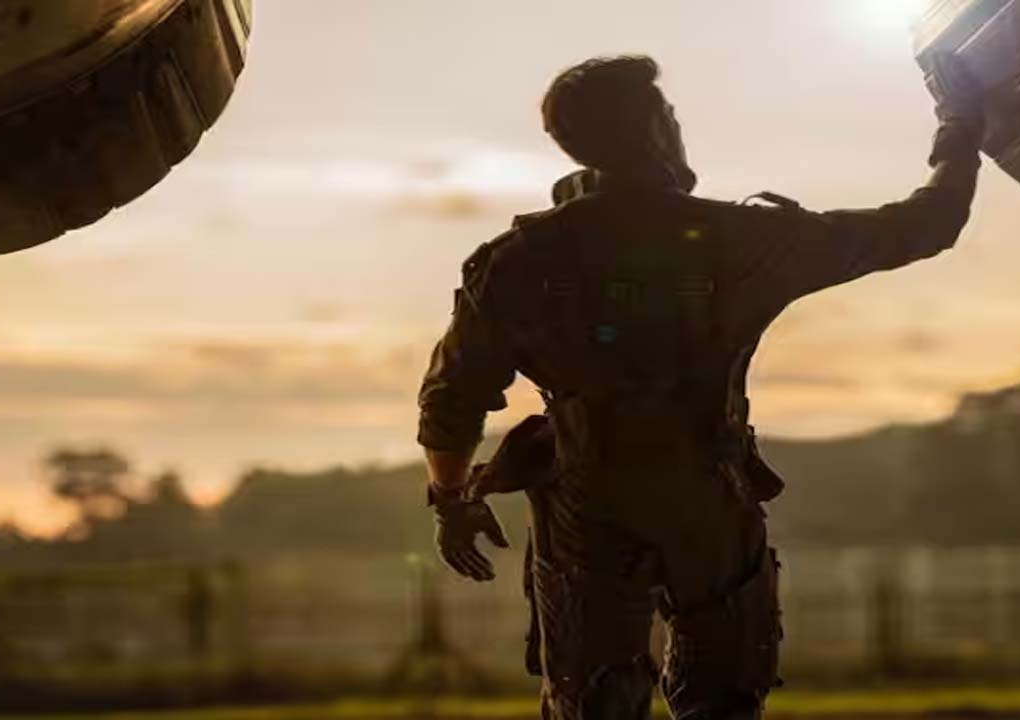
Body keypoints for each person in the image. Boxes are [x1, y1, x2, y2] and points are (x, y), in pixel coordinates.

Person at [417, 53, 985, 720]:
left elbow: (452, 400)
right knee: (723, 699)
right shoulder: (742, 239)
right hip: (707, 497)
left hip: (585, 501)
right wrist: (959, 123)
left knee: (590, 702)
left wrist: (451, 503)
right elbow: (929, 222)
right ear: (657, 128)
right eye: (670, 115)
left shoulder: (516, 260)